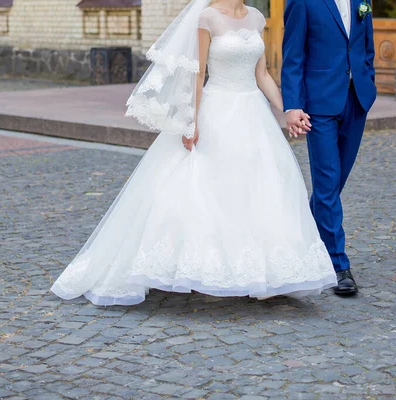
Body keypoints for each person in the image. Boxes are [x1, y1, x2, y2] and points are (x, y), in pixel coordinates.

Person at [50, 0, 337, 306]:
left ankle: (258, 270)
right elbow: (197, 75)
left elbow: (262, 75)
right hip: (218, 109)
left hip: (253, 113)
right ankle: (204, 267)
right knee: (207, 189)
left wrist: (288, 110)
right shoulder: (207, 18)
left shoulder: (256, 18)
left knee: (258, 188)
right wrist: (191, 121)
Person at [282, 0, 377, 296]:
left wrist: (368, 79)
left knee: (335, 183)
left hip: (357, 99)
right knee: (326, 182)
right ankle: (337, 265)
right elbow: (293, 54)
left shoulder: (362, 0)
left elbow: (366, 44)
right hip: (319, 104)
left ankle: (301, 237)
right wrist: (293, 104)